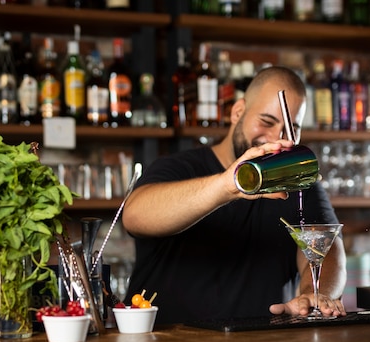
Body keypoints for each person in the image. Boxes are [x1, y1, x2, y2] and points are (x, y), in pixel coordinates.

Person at [121, 66, 346, 324]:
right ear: (238, 112)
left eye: (291, 128)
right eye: (266, 121)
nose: (277, 137)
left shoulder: (297, 182)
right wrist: (230, 185)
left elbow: (325, 250)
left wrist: (314, 295)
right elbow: (134, 216)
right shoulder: (178, 168)